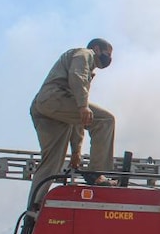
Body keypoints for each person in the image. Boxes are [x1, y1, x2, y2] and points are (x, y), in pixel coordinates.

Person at [28, 38, 117, 208]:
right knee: (106, 120)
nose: (109, 59)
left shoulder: (80, 64)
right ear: (97, 49)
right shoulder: (85, 54)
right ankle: (96, 173)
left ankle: (35, 204)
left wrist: (76, 150)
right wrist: (83, 105)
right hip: (55, 98)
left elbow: (77, 119)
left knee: (52, 161)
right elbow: (77, 77)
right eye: (108, 54)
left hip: (45, 106)